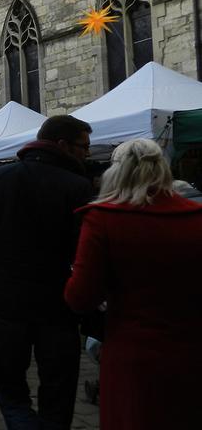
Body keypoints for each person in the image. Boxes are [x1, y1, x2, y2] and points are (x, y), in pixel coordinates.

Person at [65, 139, 202, 430]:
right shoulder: (195, 217)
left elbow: (80, 298)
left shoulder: (104, 219)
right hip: (191, 351)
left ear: (116, 173)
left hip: (133, 354)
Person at [0, 115, 93, 429]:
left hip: (9, 298)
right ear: (62, 145)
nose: (87, 154)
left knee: (9, 383)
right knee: (58, 387)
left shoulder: (0, 178)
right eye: (83, 147)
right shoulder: (77, 186)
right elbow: (83, 250)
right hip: (57, 303)